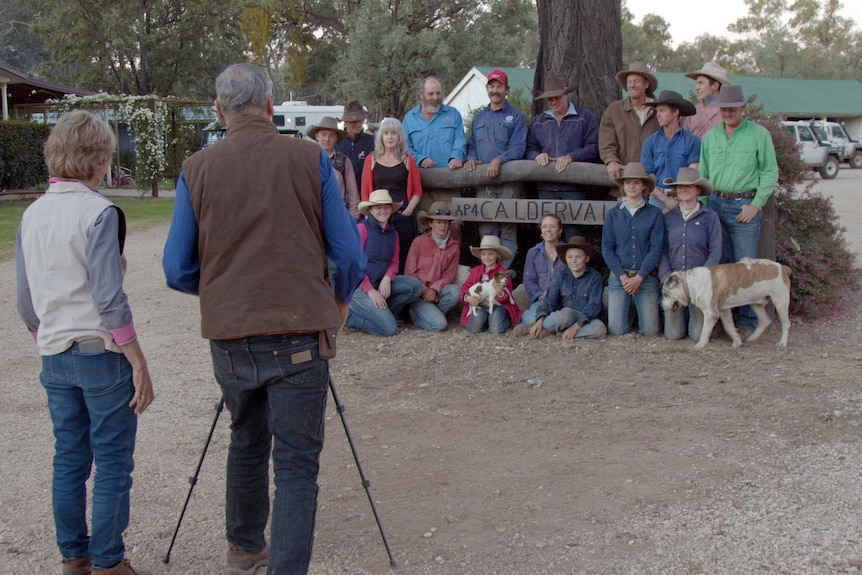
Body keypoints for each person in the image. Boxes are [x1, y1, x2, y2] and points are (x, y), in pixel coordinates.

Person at [162, 63, 365, 575]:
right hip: (300, 333)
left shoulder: (196, 167)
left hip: (231, 334)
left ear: (218, 110)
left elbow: (176, 269)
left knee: (246, 439)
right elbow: (351, 254)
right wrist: (339, 304)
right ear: (270, 105)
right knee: (296, 465)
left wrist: (223, 289)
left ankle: (245, 548)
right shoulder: (309, 158)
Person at [17, 110, 155, 575]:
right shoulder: (99, 212)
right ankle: (108, 561)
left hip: (54, 351)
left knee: (69, 458)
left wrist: (48, 335)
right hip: (100, 352)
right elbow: (109, 297)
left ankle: (74, 555)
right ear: (99, 159)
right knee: (113, 459)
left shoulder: (31, 214)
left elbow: (25, 299)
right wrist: (136, 357)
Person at [699, 84, 778, 335]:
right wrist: (702, 208)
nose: (726, 113)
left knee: (745, 268)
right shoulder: (710, 137)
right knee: (719, 265)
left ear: (743, 108)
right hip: (716, 204)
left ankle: (747, 322)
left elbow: (769, 172)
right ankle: (723, 322)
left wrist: (756, 205)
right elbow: (703, 174)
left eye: (732, 108)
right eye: (723, 109)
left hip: (744, 205)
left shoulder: (759, 135)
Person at [465, 69, 527, 267]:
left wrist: (499, 160)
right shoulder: (479, 118)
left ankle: (501, 274)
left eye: (499, 86)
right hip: (484, 184)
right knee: (486, 229)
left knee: (508, 229)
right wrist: (472, 159)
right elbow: (472, 145)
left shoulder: (516, 117)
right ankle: (487, 273)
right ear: (487, 89)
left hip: (509, 182)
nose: (495, 90)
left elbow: (518, 147)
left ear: (506, 90)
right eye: (492, 86)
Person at [525, 75, 600, 239]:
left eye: (557, 98)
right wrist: (537, 156)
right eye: (549, 99)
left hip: (575, 187)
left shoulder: (585, 118)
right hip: (545, 187)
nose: (553, 102)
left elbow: (594, 148)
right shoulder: (538, 121)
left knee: (574, 235)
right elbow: (529, 148)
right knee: (548, 234)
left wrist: (571, 156)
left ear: (566, 95)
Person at [345, 189, 423, 336]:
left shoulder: (393, 234)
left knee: (415, 287)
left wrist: (387, 278)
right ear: (370, 209)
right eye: (378, 207)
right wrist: (369, 290)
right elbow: (352, 263)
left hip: (380, 282)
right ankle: (351, 319)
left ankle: (384, 313)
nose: (383, 211)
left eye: (386, 207)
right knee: (389, 329)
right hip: (357, 288)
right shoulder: (361, 229)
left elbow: (394, 262)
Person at [658, 167, 723, 341]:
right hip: (675, 280)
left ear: (698, 190)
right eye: (680, 187)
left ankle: (710, 319)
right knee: (673, 335)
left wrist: (702, 277)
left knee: (696, 335)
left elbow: (716, 250)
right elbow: (661, 249)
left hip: (698, 281)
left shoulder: (710, 217)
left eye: (688, 186)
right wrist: (666, 276)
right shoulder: (668, 217)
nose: (683, 190)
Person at [601, 162, 665, 337]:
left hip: (645, 278)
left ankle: (637, 309)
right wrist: (623, 277)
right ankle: (628, 308)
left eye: (636, 182)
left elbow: (656, 249)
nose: (632, 187)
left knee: (650, 331)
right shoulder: (613, 214)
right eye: (628, 183)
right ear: (623, 186)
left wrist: (639, 277)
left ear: (644, 185)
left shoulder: (654, 214)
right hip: (620, 278)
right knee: (616, 330)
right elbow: (607, 249)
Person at [361, 117, 423, 273]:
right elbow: (365, 191)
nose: (389, 137)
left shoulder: (408, 160)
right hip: (379, 215)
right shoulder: (371, 159)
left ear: (399, 136)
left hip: (403, 216)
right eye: (386, 133)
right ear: (381, 136)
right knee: (378, 256)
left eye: (393, 133)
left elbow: (417, 191)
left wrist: (408, 212)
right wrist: (370, 216)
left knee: (402, 259)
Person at [514, 237, 607, 340]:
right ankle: (538, 326)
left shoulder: (595, 277)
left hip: (585, 317)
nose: (574, 261)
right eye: (570, 257)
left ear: (587, 258)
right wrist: (540, 321)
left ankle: (555, 332)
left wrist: (576, 327)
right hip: (566, 314)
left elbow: (594, 306)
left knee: (600, 330)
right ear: (566, 259)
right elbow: (549, 301)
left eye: (578, 257)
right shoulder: (562, 276)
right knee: (564, 316)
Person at [404, 201, 461, 331]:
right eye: (439, 222)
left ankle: (432, 312)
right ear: (430, 223)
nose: (442, 226)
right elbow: (409, 273)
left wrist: (435, 288)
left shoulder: (454, 247)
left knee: (455, 292)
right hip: (420, 294)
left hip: (438, 291)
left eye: (445, 222)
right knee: (440, 325)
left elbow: (449, 275)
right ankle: (418, 315)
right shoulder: (418, 242)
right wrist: (425, 291)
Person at [599, 61, 660, 182]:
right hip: (625, 180)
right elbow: (606, 142)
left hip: (655, 179)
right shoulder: (614, 109)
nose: (632, 85)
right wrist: (611, 161)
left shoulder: (659, 110)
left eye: (637, 81)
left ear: (646, 84)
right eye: (629, 82)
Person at [641, 90, 700, 213]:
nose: (658, 115)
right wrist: (665, 200)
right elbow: (646, 176)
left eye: (662, 110)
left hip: (684, 196)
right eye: (657, 111)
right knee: (655, 230)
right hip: (657, 197)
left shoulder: (692, 141)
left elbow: (693, 172)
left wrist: (680, 197)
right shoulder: (650, 142)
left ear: (675, 112)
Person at [460, 235, 522, 334]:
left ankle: (506, 321)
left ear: (497, 255)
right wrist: (467, 298)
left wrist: (500, 293)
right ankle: (486, 319)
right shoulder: (476, 271)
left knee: (496, 330)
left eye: (490, 254)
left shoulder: (503, 273)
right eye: (483, 254)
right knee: (473, 329)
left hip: (498, 305)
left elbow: (507, 294)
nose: (486, 257)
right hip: (480, 304)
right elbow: (466, 286)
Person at [402, 76, 466, 169]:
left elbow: (460, 141)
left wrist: (456, 158)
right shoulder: (409, 118)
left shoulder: (454, 114)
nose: (435, 97)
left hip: (450, 175)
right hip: (419, 177)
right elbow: (404, 147)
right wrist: (420, 159)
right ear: (421, 94)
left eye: (438, 93)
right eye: (431, 94)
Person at [517, 214, 568, 326]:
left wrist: (556, 295)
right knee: (529, 319)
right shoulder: (533, 253)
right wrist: (541, 295)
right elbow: (529, 281)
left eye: (552, 226)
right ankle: (547, 325)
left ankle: (545, 326)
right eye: (544, 226)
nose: (548, 230)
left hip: (563, 301)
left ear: (560, 230)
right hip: (542, 300)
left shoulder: (568, 252)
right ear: (541, 230)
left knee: (564, 318)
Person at [308, 116, 360, 220]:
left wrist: (353, 216)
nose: (327, 139)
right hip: (314, 212)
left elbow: (352, 192)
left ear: (336, 139)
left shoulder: (344, 161)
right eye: (324, 134)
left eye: (331, 136)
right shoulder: (308, 159)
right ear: (317, 136)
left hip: (338, 212)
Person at [683, 62, 731, 140]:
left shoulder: (729, 112)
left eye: (701, 83)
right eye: (697, 83)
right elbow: (684, 140)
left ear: (715, 85)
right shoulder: (693, 111)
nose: (697, 88)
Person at [335, 100, 375, 190]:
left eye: (361, 121)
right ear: (346, 122)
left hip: (365, 194)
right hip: (342, 195)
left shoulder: (371, 141)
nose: (358, 124)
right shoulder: (337, 142)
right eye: (354, 121)